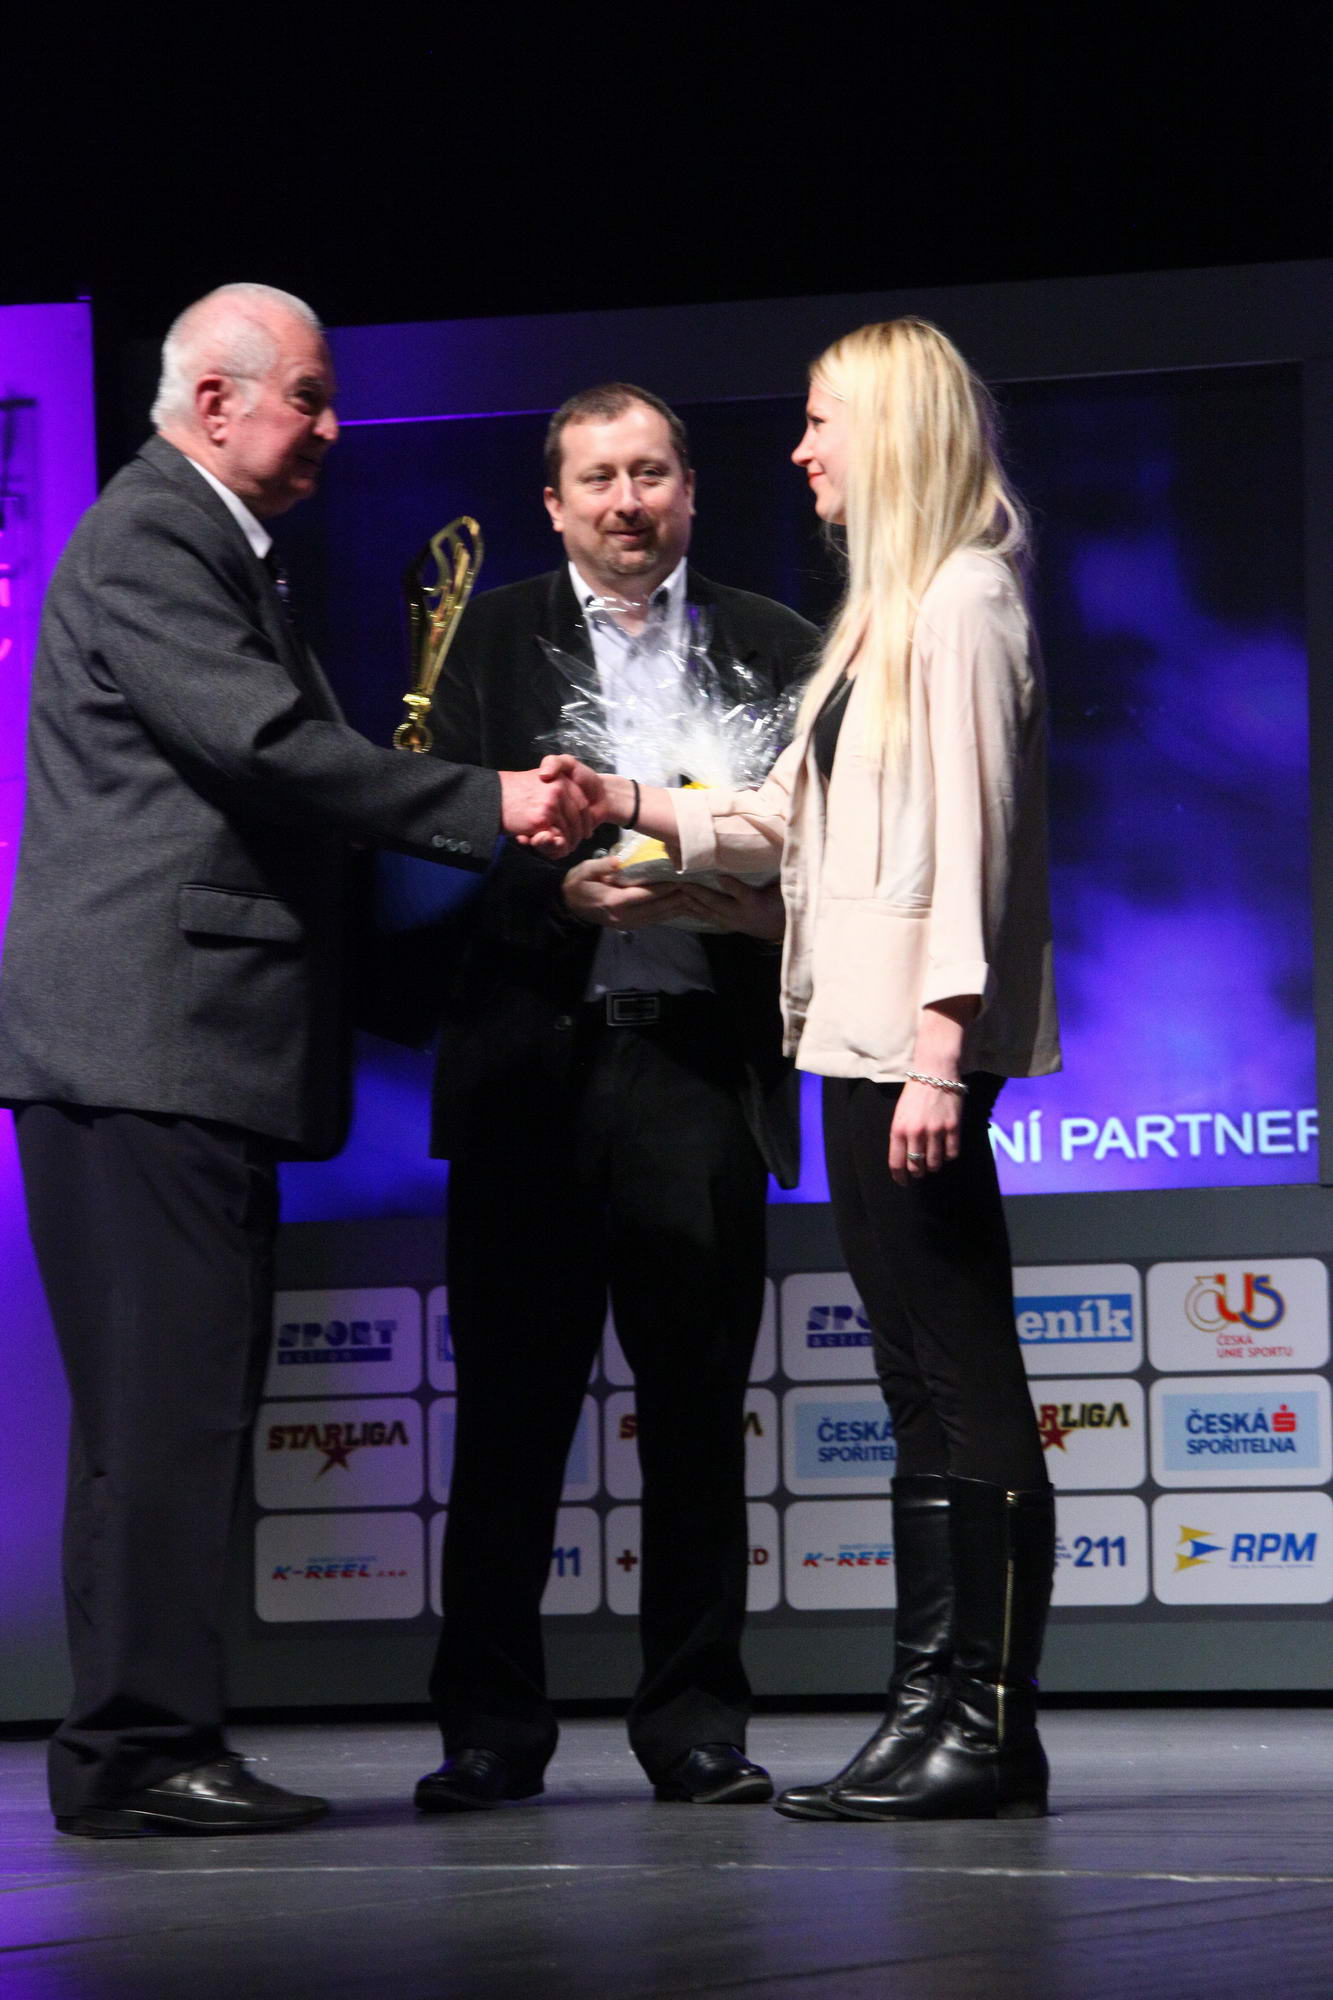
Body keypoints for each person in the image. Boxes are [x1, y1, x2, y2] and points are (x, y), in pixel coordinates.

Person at [0, 282, 601, 1839]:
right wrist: (485, 805)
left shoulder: (213, 547)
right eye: (310, 399)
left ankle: (139, 1745)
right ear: (213, 403)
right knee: (165, 1418)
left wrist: (482, 887)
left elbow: (291, 814)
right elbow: (264, 751)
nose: (333, 429)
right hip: (144, 1046)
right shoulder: (154, 536)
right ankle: (141, 1751)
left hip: (173, 1050)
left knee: (160, 1418)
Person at [604, 320, 1062, 1821]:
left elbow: (975, 842)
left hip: (911, 1047)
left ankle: (983, 1725)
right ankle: (931, 1711)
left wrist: (943, 1049)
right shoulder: (886, 613)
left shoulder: (966, 599)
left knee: (960, 1366)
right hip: (857, 1038)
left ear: (894, 428)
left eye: (822, 421)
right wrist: (632, 809)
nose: (801, 450)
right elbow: (793, 826)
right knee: (916, 1377)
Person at [413, 383, 818, 1812]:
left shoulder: (776, 644)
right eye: (598, 479)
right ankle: (488, 1730)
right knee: (510, 1418)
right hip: (533, 1066)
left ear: (689, 490)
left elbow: (818, 846)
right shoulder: (482, 638)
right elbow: (422, 843)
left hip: (697, 1066)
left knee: (698, 1418)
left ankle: (695, 1724)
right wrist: (554, 896)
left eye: (649, 474)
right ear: (554, 503)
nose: (627, 502)